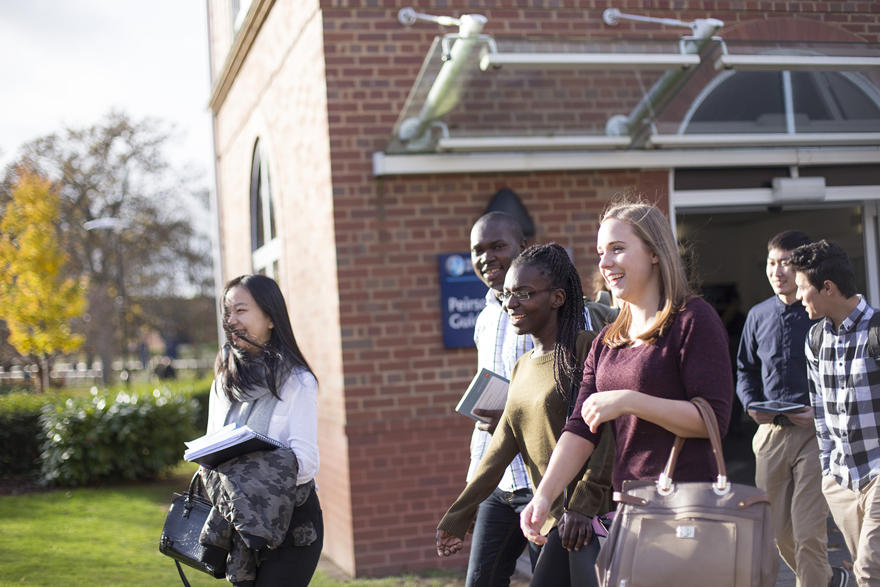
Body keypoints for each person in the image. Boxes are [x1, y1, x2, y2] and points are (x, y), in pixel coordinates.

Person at [520, 200, 734, 550]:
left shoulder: (694, 319)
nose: (605, 263)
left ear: (654, 252)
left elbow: (711, 419)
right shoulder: (608, 338)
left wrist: (629, 401)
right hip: (630, 511)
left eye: (617, 249)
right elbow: (580, 427)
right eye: (601, 252)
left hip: (686, 510)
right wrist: (544, 496)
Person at [437, 243, 614, 587]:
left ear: (557, 298)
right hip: (551, 521)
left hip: (587, 522)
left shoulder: (584, 347)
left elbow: (606, 433)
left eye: (523, 293)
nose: (510, 304)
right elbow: (500, 449)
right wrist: (457, 516)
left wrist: (582, 505)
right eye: (506, 295)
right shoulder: (521, 368)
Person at [737, 231, 848, 587]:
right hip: (770, 433)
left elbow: (841, 372)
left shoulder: (818, 311)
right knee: (777, 532)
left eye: (785, 263)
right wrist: (751, 405)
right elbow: (745, 369)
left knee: (808, 532)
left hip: (814, 433)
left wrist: (820, 413)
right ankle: (828, 580)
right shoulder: (757, 316)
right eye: (772, 262)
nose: (777, 271)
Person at [202, 274, 322, 586]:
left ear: (270, 317)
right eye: (227, 313)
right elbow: (210, 453)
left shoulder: (298, 381)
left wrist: (241, 473)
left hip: (294, 526)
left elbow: (306, 464)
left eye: (240, 311)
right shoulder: (223, 383)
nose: (231, 321)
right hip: (238, 526)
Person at [791, 240, 880, 586]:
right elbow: (821, 413)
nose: (799, 297)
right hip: (841, 479)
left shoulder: (876, 331)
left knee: (869, 572)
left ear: (827, 288)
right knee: (866, 567)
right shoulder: (815, 339)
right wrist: (828, 470)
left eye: (803, 289)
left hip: (877, 472)